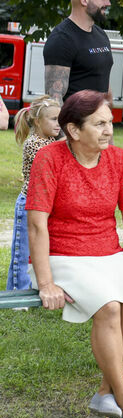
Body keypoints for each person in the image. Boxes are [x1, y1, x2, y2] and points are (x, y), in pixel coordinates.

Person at [27, 90, 123, 418]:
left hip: (106, 252)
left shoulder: (118, 160)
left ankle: (104, 392)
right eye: (100, 124)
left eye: (110, 122)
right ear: (74, 130)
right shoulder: (50, 158)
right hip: (62, 254)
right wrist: (45, 282)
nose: (109, 130)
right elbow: (36, 224)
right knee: (107, 307)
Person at [7, 97, 63, 292]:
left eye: (60, 119)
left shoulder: (49, 140)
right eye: (54, 119)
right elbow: (53, 157)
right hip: (28, 204)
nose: (59, 124)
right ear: (38, 121)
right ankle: (17, 292)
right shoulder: (35, 143)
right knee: (22, 252)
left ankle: (36, 285)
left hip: (43, 204)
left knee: (41, 248)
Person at [43, 0, 121, 103]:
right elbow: (54, 100)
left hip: (99, 120)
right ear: (84, 0)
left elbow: (101, 76)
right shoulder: (62, 39)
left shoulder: (100, 34)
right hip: (76, 122)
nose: (108, 3)